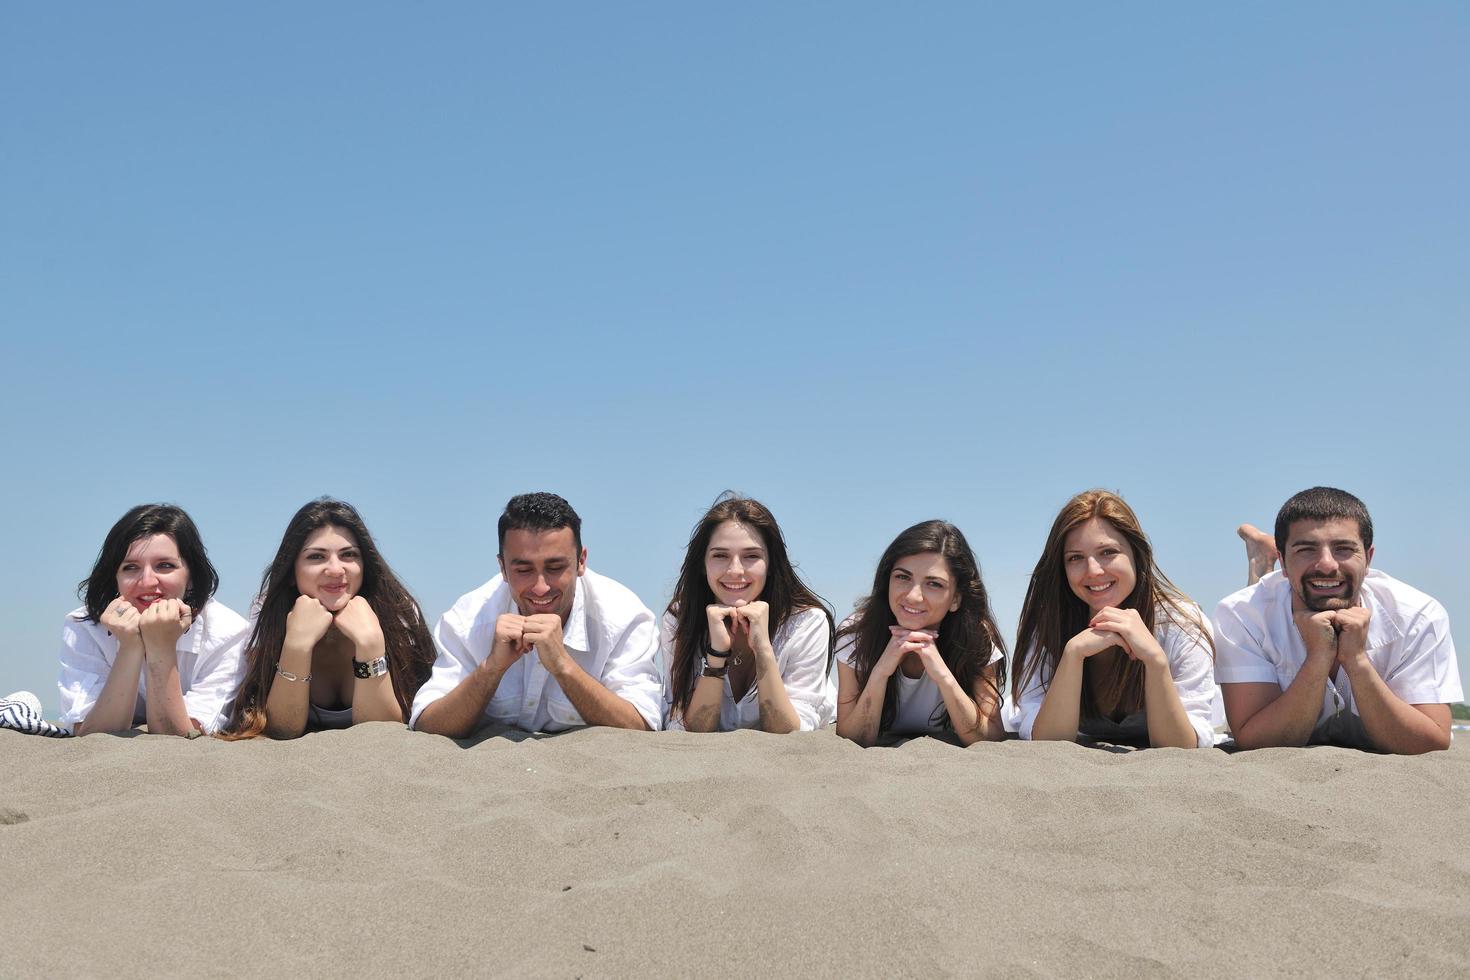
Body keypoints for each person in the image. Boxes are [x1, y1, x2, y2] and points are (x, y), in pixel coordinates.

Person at [1217, 487, 1460, 753]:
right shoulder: (1240, 614)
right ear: (1284, 563)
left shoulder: (1418, 616)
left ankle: (1265, 556)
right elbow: (1254, 741)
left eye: (1343, 548)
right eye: (1306, 549)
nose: (1327, 564)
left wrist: (1356, 661)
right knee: (1260, 602)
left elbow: (1431, 743)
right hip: (1268, 600)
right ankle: (1263, 562)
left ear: (1368, 559)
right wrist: (1318, 658)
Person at [411, 492, 661, 736]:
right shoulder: (467, 620)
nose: (541, 587)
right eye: (524, 570)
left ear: (581, 561)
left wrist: (563, 667)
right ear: (502, 568)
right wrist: (490, 669)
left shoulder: (624, 617)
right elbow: (427, 723)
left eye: (555, 567)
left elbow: (642, 725)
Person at [1012, 490, 1219, 749]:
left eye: (1108, 552)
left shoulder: (1181, 623)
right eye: (1075, 558)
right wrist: (1073, 654)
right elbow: (1049, 742)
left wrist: (1155, 662)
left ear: (1136, 554)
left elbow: (1182, 747)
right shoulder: (1049, 626)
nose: (1094, 570)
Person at [219, 498, 436, 739]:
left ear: (365, 564)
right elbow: (282, 730)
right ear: (292, 571)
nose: (335, 570)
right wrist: (297, 645)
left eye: (348, 555)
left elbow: (381, 734)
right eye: (316, 557)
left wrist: (370, 644)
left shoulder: (396, 613)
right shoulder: (268, 612)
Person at [59, 504, 249, 736]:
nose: (147, 581)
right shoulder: (84, 627)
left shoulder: (228, 633)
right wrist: (130, 647)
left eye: (165, 566)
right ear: (114, 578)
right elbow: (91, 733)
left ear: (190, 576)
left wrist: (161, 647)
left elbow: (182, 736)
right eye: (130, 567)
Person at [661, 495, 835, 733]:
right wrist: (717, 653)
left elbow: (790, 733)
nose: (735, 570)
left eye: (751, 556)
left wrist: (763, 648)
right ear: (702, 564)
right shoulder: (680, 619)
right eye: (720, 556)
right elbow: (690, 732)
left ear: (771, 564)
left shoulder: (806, 622)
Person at [834, 520, 1006, 746]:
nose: (913, 596)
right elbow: (852, 739)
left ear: (955, 598)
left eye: (934, 584)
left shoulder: (976, 636)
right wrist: (881, 671)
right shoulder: (856, 633)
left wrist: (943, 676)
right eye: (903, 577)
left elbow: (991, 738)